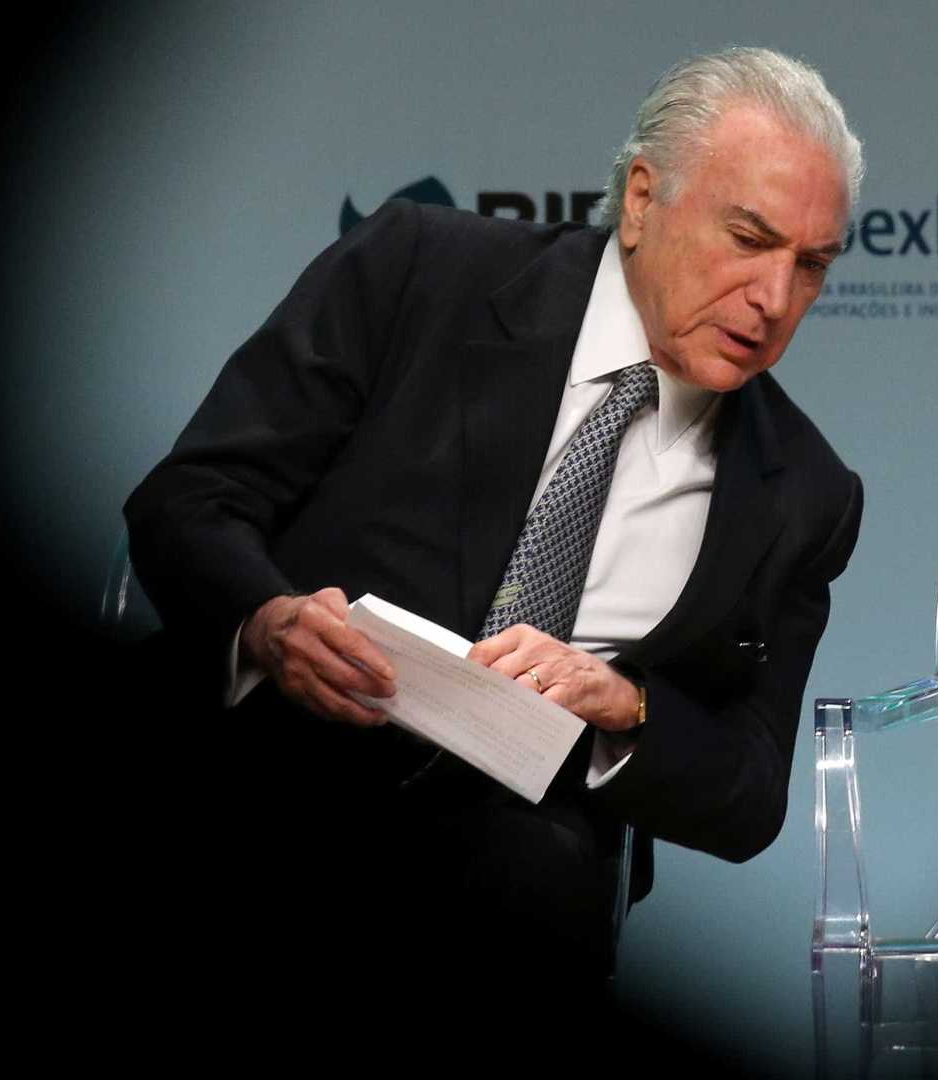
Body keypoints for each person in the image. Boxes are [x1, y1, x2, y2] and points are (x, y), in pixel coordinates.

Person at [122, 47, 865, 1016]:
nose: (774, 299)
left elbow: (751, 792)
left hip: (518, 901)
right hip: (269, 793)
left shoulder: (804, 492)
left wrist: (628, 708)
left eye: (810, 265)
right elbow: (191, 500)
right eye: (748, 238)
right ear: (643, 201)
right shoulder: (419, 270)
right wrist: (266, 622)